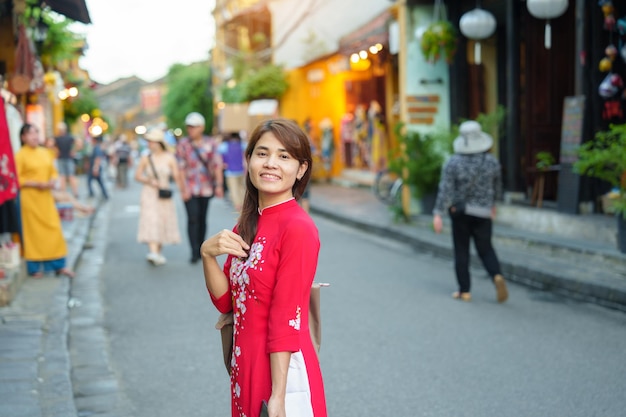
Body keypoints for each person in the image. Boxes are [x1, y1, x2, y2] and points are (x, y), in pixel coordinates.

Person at [201, 118, 327, 417]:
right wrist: (207, 254)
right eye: (262, 153)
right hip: (245, 364)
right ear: (249, 160)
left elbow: (287, 318)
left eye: (284, 156)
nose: (271, 163)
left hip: (280, 370)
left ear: (301, 169)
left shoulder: (298, 228)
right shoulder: (247, 223)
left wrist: (279, 397)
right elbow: (226, 301)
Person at [432, 120, 508, 303]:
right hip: (483, 213)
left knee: (461, 251)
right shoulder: (491, 162)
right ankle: (496, 275)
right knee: (486, 249)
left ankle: (464, 291)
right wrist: (493, 205)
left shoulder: (454, 162)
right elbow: (497, 187)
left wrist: (438, 214)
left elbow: (446, 189)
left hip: (461, 213)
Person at [14, 123, 74, 278]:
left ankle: (59, 265)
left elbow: (53, 172)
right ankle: (35, 268)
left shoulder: (46, 152)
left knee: (53, 228)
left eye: (36, 132)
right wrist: (35, 183)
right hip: (30, 199)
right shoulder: (20, 155)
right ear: (23, 137)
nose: (34, 136)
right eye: (30, 133)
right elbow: (16, 179)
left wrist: (53, 180)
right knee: (33, 233)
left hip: (46, 197)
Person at [176, 112, 224, 264]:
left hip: (206, 187)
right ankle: (193, 251)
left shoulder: (210, 143)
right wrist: (183, 189)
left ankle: (201, 247)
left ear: (201, 127)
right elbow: (180, 169)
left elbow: (217, 165)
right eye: (189, 126)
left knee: (202, 218)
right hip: (190, 187)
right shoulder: (183, 144)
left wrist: (219, 185)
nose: (191, 129)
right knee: (192, 218)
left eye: (194, 126)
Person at [134, 129, 182, 265]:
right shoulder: (146, 158)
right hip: (149, 193)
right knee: (151, 220)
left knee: (162, 221)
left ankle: (157, 252)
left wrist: (183, 190)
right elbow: (137, 176)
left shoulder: (169, 158)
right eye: (148, 141)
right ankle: (153, 252)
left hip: (164, 193)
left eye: (151, 141)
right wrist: (149, 181)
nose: (148, 144)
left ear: (158, 142)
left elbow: (177, 176)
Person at [217, 131, 246, 212]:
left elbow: (219, 154)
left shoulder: (224, 145)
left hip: (230, 171)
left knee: (233, 189)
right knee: (241, 188)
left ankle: (237, 205)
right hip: (241, 170)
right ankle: (243, 203)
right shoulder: (242, 145)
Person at [54, 122, 79, 197]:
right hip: (63, 158)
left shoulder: (68, 137)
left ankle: (74, 192)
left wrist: (74, 150)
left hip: (66, 158)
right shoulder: (59, 138)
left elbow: (79, 143)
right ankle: (67, 193)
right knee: (63, 177)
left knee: (68, 176)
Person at [87, 135, 109, 200]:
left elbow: (98, 158)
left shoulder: (96, 148)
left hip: (95, 168)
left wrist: (96, 168)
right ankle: (104, 194)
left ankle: (92, 193)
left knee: (93, 181)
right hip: (95, 168)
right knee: (98, 181)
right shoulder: (98, 147)